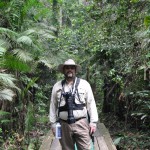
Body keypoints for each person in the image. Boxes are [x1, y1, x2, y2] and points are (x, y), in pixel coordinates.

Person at [49, 59, 98, 150]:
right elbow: (53, 106)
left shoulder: (84, 84)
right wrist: (53, 124)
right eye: (67, 68)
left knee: (85, 148)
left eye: (72, 68)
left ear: (75, 70)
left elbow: (91, 104)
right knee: (67, 148)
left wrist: (93, 122)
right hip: (63, 125)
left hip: (81, 123)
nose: (69, 70)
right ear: (64, 70)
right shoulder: (57, 86)